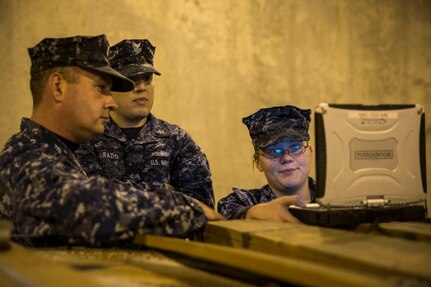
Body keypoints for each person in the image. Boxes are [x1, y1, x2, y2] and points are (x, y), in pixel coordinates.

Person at [0, 35, 221, 248]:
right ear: (58, 87)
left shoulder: (57, 151)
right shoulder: (27, 156)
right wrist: (184, 207)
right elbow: (83, 204)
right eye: (101, 89)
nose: (111, 102)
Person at [76, 39, 215, 208]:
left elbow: (201, 208)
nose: (141, 87)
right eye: (131, 79)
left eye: (147, 78)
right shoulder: (89, 137)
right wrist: (165, 193)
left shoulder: (177, 140)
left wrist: (115, 192)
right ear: (112, 86)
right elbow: (88, 203)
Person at [217, 105, 316, 222]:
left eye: (295, 147)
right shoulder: (244, 202)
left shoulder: (336, 200)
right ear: (258, 162)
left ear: (310, 153)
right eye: (274, 151)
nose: (287, 158)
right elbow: (225, 211)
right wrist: (253, 214)